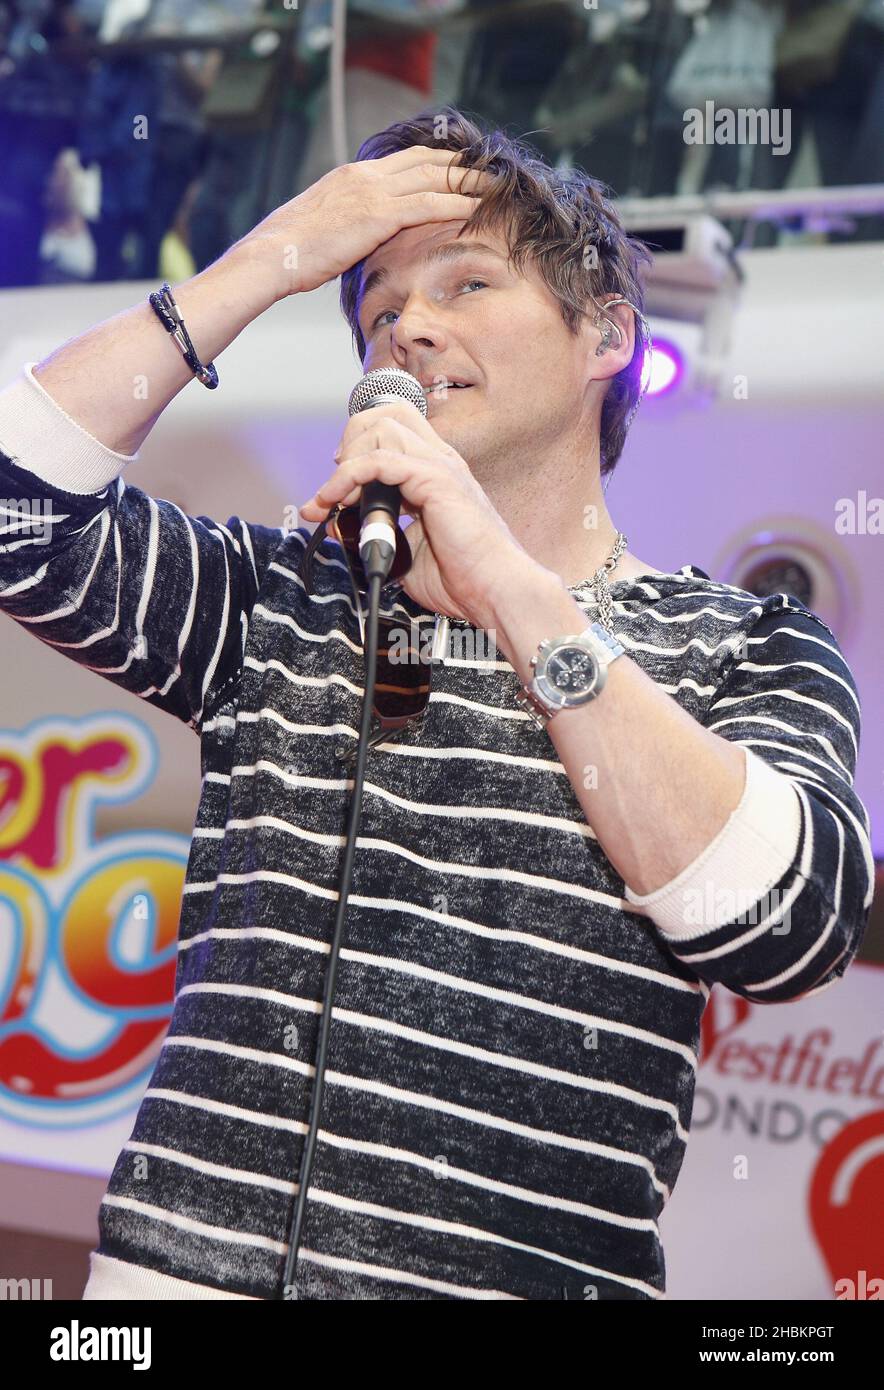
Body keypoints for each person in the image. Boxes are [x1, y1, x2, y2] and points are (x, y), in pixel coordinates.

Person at [0, 107, 873, 1301]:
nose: (408, 325)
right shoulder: (280, 599)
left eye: (467, 281)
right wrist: (275, 254)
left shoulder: (742, 645)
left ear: (607, 335)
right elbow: (16, 519)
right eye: (376, 308)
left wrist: (501, 576)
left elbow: (790, 925)